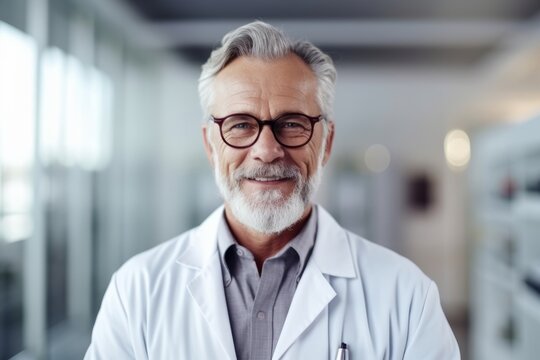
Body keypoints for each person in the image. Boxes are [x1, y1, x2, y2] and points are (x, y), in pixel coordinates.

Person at [84, 21, 460, 360]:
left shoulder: (406, 296)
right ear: (210, 145)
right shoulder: (136, 291)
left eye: (293, 124)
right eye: (241, 125)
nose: (267, 150)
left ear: (326, 143)